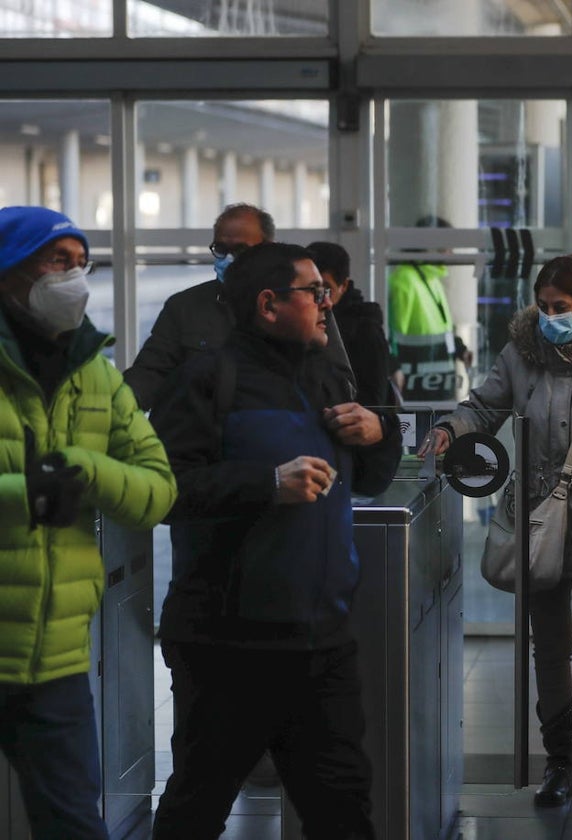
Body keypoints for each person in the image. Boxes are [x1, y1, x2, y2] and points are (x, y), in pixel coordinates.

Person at [149, 242, 403, 839]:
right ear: (269, 304)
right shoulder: (208, 380)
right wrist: (265, 483)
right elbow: (163, 490)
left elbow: (372, 477)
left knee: (343, 811)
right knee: (196, 807)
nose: (326, 302)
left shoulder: (330, 374)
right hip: (226, 648)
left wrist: (378, 432)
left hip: (323, 644)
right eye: (313, 292)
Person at [419, 254, 572, 815]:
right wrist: (449, 428)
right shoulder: (520, 356)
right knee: (550, 648)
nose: (551, 316)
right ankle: (559, 761)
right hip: (536, 525)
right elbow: (482, 408)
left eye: (563, 307)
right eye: (545, 306)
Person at [0, 205, 178, 838]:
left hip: (56, 660)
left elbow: (158, 489)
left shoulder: (96, 374)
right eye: (58, 262)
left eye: (82, 264)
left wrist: (82, 469)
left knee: (74, 824)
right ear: (10, 272)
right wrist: (28, 492)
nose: (74, 278)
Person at [125, 202, 356, 412]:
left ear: (268, 249)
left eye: (241, 250)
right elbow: (149, 375)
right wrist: (116, 404)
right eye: (221, 249)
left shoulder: (301, 305)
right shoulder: (185, 308)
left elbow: (342, 386)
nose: (228, 259)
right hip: (205, 436)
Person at [387, 215, 472, 402]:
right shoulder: (404, 281)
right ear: (430, 245)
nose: (451, 252)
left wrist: (460, 350)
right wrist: (393, 368)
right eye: (447, 246)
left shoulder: (431, 279)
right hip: (415, 391)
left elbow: (442, 332)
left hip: (435, 387)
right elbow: (391, 335)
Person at [308, 240, 394, 408]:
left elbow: (375, 403)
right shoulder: (300, 323)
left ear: (344, 285)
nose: (321, 300)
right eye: (312, 289)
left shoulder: (365, 330)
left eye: (326, 289)